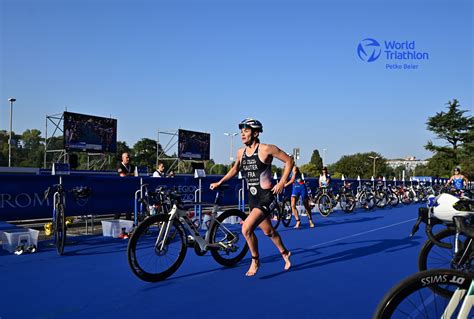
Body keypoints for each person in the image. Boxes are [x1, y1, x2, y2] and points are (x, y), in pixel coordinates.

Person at [210, 118, 293, 277]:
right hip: (253, 198)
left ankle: (255, 260)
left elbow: (289, 161)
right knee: (269, 232)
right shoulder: (241, 152)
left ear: (255, 133)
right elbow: (235, 170)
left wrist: (282, 182)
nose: (242, 134)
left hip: (267, 197)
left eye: (246, 131)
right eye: (241, 131)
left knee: (246, 228)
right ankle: (285, 253)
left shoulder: (267, 149)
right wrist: (220, 181)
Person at [284, 161, 315, 229]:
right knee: (292, 205)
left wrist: (285, 185)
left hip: (301, 187)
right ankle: (298, 221)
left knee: (305, 204)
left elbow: (292, 179)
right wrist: (284, 182)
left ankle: (310, 220)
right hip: (295, 188)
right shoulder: (286, 169)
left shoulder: (295, 168)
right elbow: (285, 178)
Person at [114, 152, 135, 221]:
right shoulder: (119, 165)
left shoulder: (132, 166)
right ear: (123, 158)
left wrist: (130, 175)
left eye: (129, 157)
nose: (128, 159)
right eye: (126, 157)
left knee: (129, 210)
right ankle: (115, 225)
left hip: (130, 189)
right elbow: (122, 175)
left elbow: (136, 175)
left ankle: (128, 227)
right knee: (119, 209)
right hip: (121, 190)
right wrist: (131, 174)